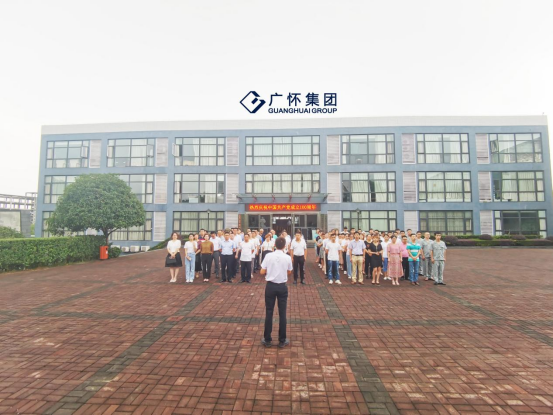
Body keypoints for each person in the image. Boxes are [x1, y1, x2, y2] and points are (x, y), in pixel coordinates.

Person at [260, 237, 292, 348]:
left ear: (274, 245)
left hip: (270, 286)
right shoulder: (287, 257)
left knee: (269, 312)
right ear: (284, 246)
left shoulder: (268, 256)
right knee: (282, 313)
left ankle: (267, 339)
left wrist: (270, 271)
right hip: (282, 286)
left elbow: (262, 271)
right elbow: (289, 271)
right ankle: (282, 340)